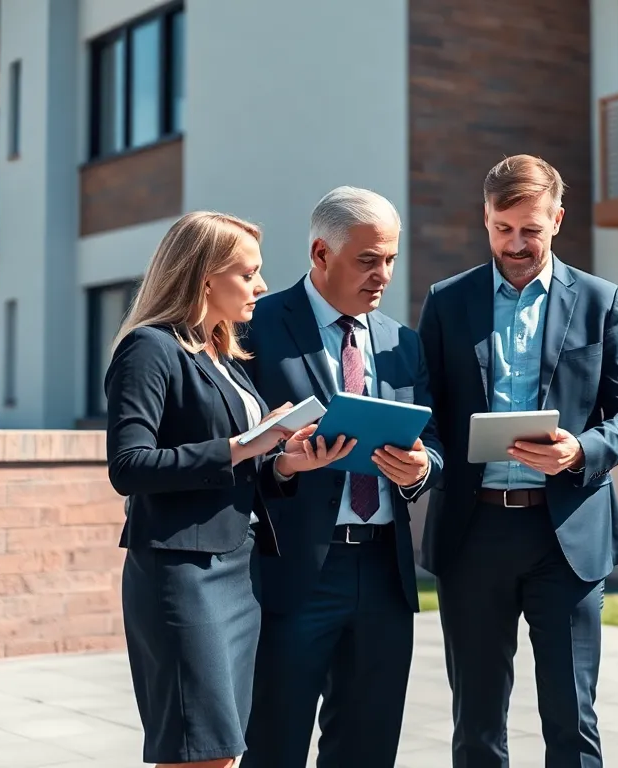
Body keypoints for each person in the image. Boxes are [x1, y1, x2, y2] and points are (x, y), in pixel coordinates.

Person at [417, 154, 618, 768]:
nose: (515, 244)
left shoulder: (602, 301)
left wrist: (583, 450)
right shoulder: (447, 301)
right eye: (502, 228)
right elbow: (429, 412)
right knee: (476, 722)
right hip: (473, 533)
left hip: (566, 534)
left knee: (572, 719)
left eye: (530, 228)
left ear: (558, 219)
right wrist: (426, 458)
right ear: (485, 219)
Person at [107, 211, 350, 768]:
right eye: (249, 273)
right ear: (204, 278)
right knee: (200, 752)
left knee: (226, 752)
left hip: (240, 573)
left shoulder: (222, 356)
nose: (262, 286)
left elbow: (238, 471)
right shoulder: (150, 349)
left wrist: (286, 464)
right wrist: (244, 444)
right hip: (182, 574)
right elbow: (129, 465)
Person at [239, 187, 443, 768]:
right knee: (273, 744)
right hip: (291, 571)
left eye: (390, 259)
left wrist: (422, 468)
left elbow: (436, 442)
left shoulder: (402, 341)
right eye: (367, 259)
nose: (383, 275)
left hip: (383, 570)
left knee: (368, 747)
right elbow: (229, 442)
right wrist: (281, 461)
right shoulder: (257, 327)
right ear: (320, 254)